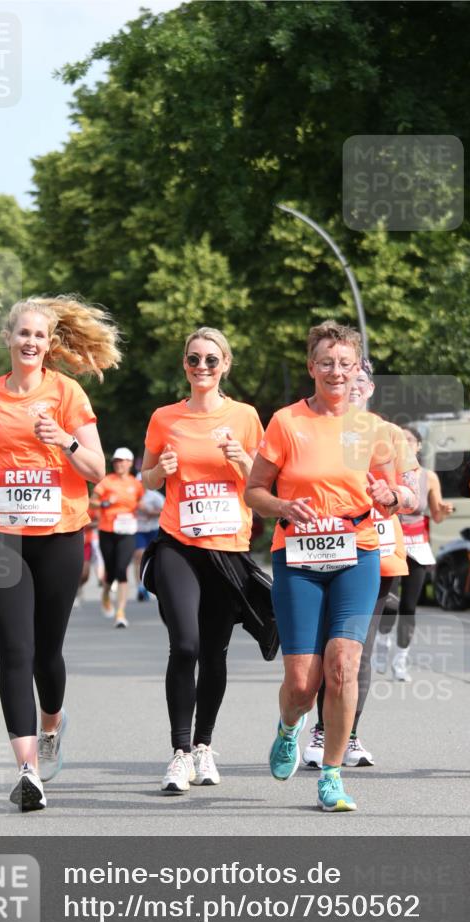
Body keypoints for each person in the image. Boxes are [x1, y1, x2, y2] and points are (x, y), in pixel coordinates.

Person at [0, 296, 120, 811]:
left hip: (59, 535)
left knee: (47, 654)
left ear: (49, 345)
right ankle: (27, 772)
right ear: (8, 338)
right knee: (15, 652)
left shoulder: (67, 393)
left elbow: (97, 470)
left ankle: (52, 724)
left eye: (39, 335)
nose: (30, 341)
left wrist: (65, 441)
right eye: (22, 333)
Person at [245, 321, 417, 812]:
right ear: (311, 367)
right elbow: (254, 491)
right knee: (303, 684)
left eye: (345, 363)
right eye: (326, 362)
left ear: (357, 369)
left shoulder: (374, 429)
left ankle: (332, 774)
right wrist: (282, 506)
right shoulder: (286, 422)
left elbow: (410, 492)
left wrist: (392, 495)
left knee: (343, 666)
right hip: (298, 558)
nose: (336, 371)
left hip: (356, 554)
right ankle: (288, 727)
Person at [140, 327, 266, 794]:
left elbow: (265, 484)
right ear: (185, 365)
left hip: (228, 550)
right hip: (178, 543)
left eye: (211, 360)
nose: (202, 367)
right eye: (194, 359)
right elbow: (147, 478)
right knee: (185, 645)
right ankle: (178, 753)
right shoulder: (164, 417)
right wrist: (160, 470)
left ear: (225, 364)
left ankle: (203, 746)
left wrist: (241, 460)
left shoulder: (246, 417)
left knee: (214, 652)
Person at [302, 358, 417, 768]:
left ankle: (344, 734)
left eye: (361, 379)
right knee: (323, 650)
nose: (353, 384)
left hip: (376, 553)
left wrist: (395, 495)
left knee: (357, 652)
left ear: (370, 388)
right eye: (348, 376)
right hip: (321, 550)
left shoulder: (388, 434)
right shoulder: (315, 428)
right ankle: (312, 724)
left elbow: (412, 491)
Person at [373, 425, 454, 680]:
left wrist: (444, 510)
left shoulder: (429, 477)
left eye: (410, 440)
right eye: (401, 440)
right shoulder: (387, 472)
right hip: (391, 544)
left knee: (409, 606)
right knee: (390, 604)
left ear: (418, 447)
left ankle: (401, 661)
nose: (405, 444)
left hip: (418, 546)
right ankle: (382, 643)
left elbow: (436, 515)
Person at [91, 448, 144, 628]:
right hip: (107, 531)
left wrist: (146, 510)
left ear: (130, 463)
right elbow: (92, 502)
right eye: (116, 461)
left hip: (128, 532)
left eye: (122, 461)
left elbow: (140, 503)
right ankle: (106, 593)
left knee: (122, 569)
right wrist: (105, 503)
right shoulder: (107, 481)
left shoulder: (136, 484)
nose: (119, 464)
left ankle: (120, 613)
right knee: (111, 570)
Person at [134, 480, 165, 601]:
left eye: (142, 482)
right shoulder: (133, 495)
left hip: (153, 529)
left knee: (156, 558)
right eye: (139, 483)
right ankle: (140, 587)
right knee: (139, 556)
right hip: (139, 530)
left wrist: (151, 512)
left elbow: (165, 510)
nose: (141, 485)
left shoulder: (154, 495)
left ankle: (154, 584)